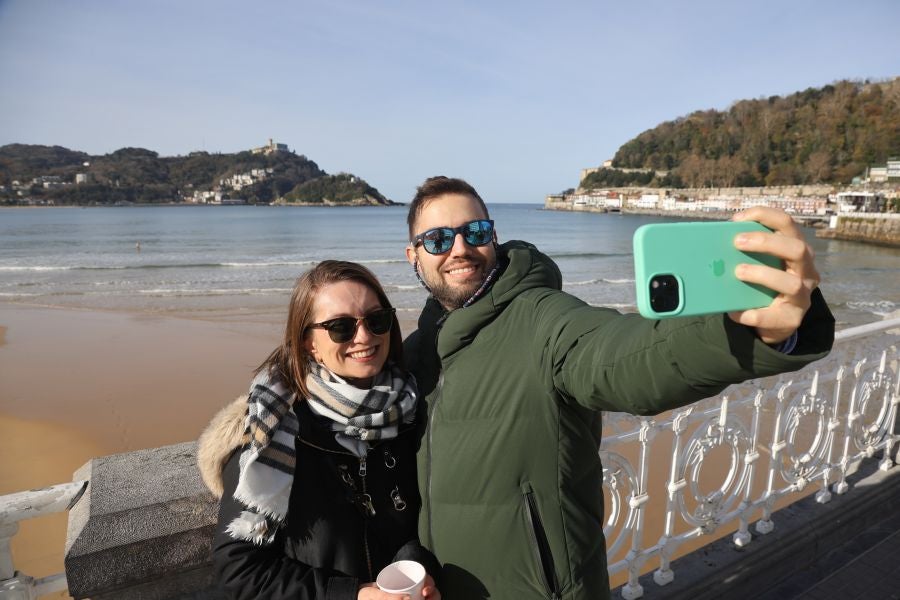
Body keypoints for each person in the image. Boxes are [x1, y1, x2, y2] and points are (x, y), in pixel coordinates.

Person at [402, 176, 835, 600]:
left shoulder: (543, 321)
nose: (460, 249)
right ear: (413, 256)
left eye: (475, 232)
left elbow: (629, 357)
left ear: (493, 237)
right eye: (438, 239)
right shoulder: (412, 355)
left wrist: (744, 332)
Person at [198, 260, 441, 600]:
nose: (364, 336)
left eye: (377, 319)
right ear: (307, 342)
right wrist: (352, 595)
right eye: (341, 327)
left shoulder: (410, 410)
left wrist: (418, 567)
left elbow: (418, 522)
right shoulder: (272, 430)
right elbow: (240, 569)